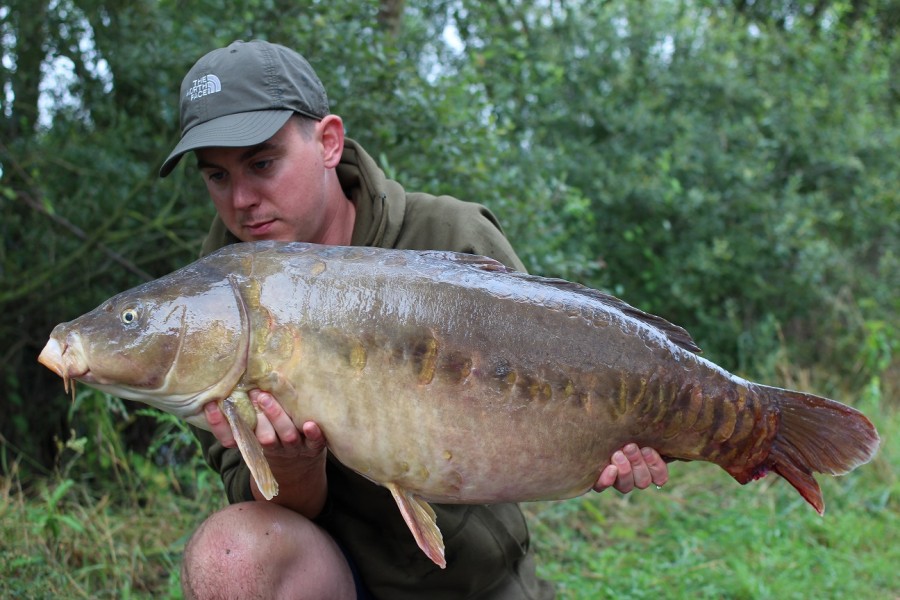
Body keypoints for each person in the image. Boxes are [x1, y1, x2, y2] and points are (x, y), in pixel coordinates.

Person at [160, 40, 670, 599]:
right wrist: (293, 466)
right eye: (216, 177)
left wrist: (604, 440)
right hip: (326, 578)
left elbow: (550, 377)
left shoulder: (449, 237)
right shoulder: (206, 312)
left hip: (473, 579)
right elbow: (268, 504)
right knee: (230, 555)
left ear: (328, 142)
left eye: (262, 163)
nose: (241, 201)